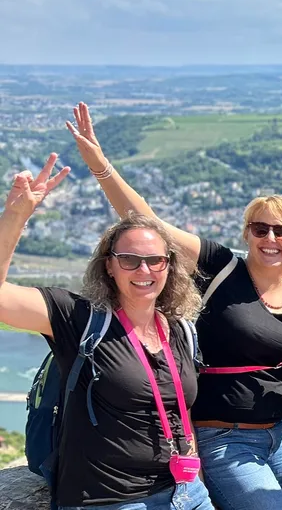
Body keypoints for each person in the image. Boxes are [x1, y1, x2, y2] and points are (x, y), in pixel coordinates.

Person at [64, 78, 282, 510]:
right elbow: (149, 224)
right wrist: (101, 165)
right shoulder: (224, 265)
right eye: (260, 228)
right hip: (231, 433)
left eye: (279, 231)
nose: (270, 238)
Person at [0, 153, 213, 509]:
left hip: (184, 493)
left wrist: (196, 483)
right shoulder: (80, 319)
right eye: (129, 259)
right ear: (109, 267)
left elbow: (180, 413)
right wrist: (17, 215)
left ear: (169, 267)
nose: (143, 270)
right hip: (107, 499)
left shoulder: (179, 330)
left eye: (155, 260)